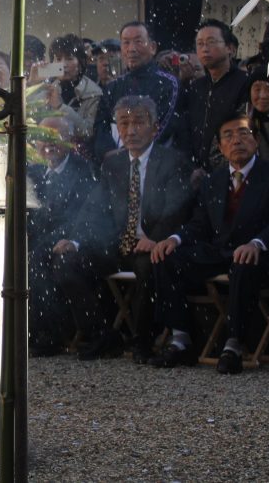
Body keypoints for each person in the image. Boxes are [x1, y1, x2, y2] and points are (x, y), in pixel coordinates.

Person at [150, 111, 269, 374]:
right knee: (167, 257)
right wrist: (174, 238)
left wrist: (257, 243)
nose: (236, 140)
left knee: (244, 263)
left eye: (243, 133)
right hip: (220, 249)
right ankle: (180, 337)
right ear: (220, 147)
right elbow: (200, 224)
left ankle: (234, 344)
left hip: (259, 251)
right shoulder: (213, 180)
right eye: (228, 136)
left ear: (255, 140)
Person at [60, 96, 193, 363]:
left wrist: (156, 237)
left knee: (148, 265)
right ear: (117, 129)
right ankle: (101, 334)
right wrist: (75, 239)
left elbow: (179, 206)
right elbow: (95, 205)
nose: (130, 130)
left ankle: (143, 340)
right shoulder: (113, 162)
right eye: (124, 123)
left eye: (138, 123)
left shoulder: (172, 160)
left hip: (153, 242)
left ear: (154, 127)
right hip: (118, 243)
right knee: (67, 261)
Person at [26, 116, 97, 356]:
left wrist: (44, 243)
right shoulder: (34, 171)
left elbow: (80, 215)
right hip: (39, 238)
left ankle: (47, 334)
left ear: (69, 141)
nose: (48, 145)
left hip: (73, 235)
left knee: (39, 260)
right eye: (43, 138)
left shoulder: (82, 171)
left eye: (56, 139)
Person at [92, 22, 180, 161]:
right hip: (114, 167)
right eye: (126, 43)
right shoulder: (113, 86)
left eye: (138, 42)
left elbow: (164, 127)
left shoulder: (169, 83)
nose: (131, 49)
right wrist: (108, 153)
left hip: (154, 165)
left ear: (152, 47)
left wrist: (129, 155)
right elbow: (101, 127)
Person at [175, 20, 249, 171]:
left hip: (232, 169)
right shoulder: (196, 87)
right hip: (194, 172)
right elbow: (185, 131)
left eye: (211, 42)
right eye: (200, 44)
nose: (204, 49)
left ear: (230, 48)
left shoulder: (245, 83)